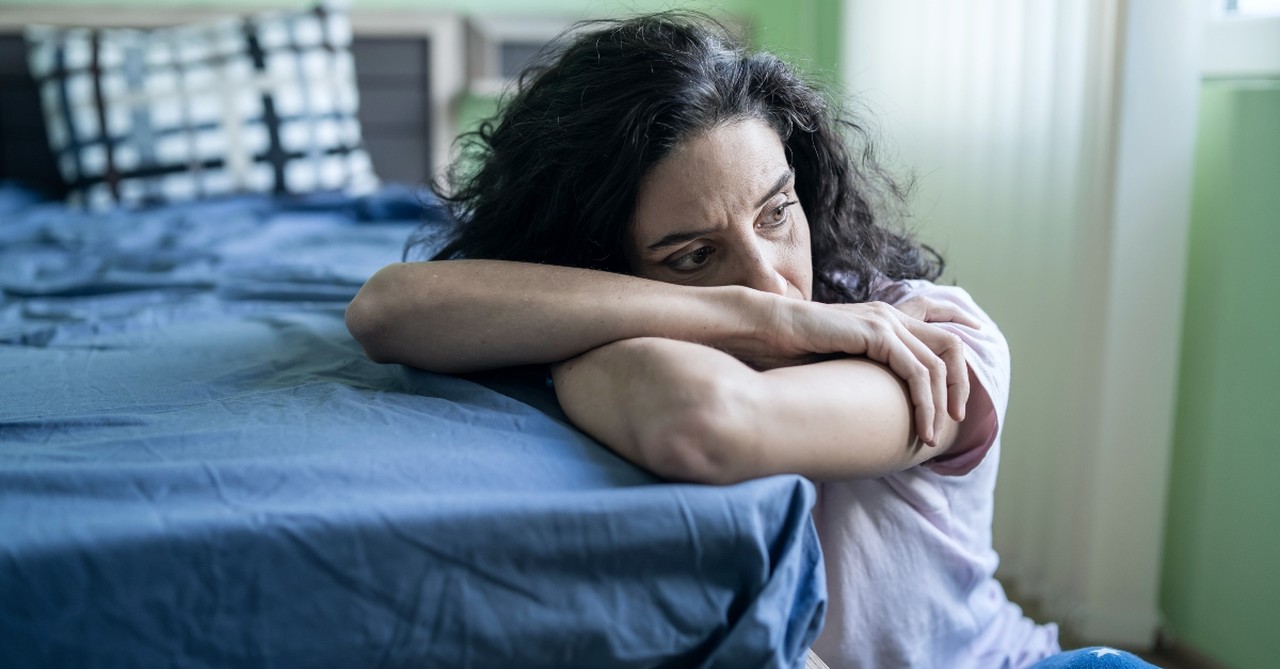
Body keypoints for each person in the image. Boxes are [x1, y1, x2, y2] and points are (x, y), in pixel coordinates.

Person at [346, 12, 1155, 669]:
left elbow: (706, 422)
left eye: (777, 212)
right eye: (694, 255)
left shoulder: (932, 338)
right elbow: (387, 310)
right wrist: (768, 320)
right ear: (601, 264)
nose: (770, 278)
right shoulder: (743, 313)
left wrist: (599, 321)